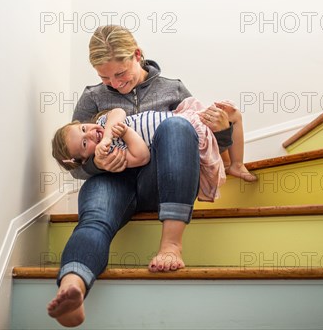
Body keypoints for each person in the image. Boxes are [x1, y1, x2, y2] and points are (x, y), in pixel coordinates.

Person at [46, 25, 245, 327]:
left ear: (138, 55)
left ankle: (170, 246)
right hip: (113, 184)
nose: (114, 83)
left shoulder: (173, 88)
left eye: (121, 73)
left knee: (178, 126)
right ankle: (73, 285)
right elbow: (77, 156)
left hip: (161, 181)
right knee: (95, 220)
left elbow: (204, 146)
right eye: (104, 77)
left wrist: (224, 130)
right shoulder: (92, 98)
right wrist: (100, 163)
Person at [52, 97, 257, 202]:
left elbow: (118, 111)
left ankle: (237, 164)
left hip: (185, 118)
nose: (90, 134)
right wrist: (124, 135)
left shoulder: (105, 124)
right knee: (221, 127)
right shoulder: (114, 156)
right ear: (84, 158)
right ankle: (231, 164)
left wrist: (108, 134)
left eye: (84, 129)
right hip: (183, 136)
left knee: (232, 113)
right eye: (85, 144)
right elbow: (142, 156)